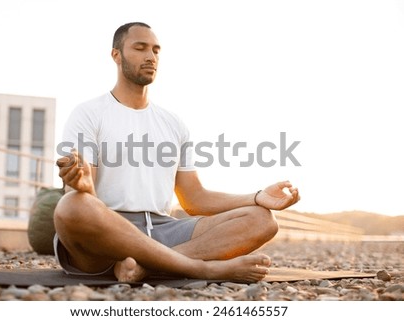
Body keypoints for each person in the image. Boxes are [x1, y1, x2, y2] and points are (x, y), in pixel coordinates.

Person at [54, 22, 300, 283]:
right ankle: (202, 269)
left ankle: (145, 267)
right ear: (116, 55)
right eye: (140, 48)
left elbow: (194, 200)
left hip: (163, 228)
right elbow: (86, 202)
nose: (151, 57)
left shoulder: (173, 123)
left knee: (263, 220)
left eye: (156, 50)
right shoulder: (88, 113)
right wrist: (83, 186)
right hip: (109, 234)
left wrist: (258, 197)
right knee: (71, 206)